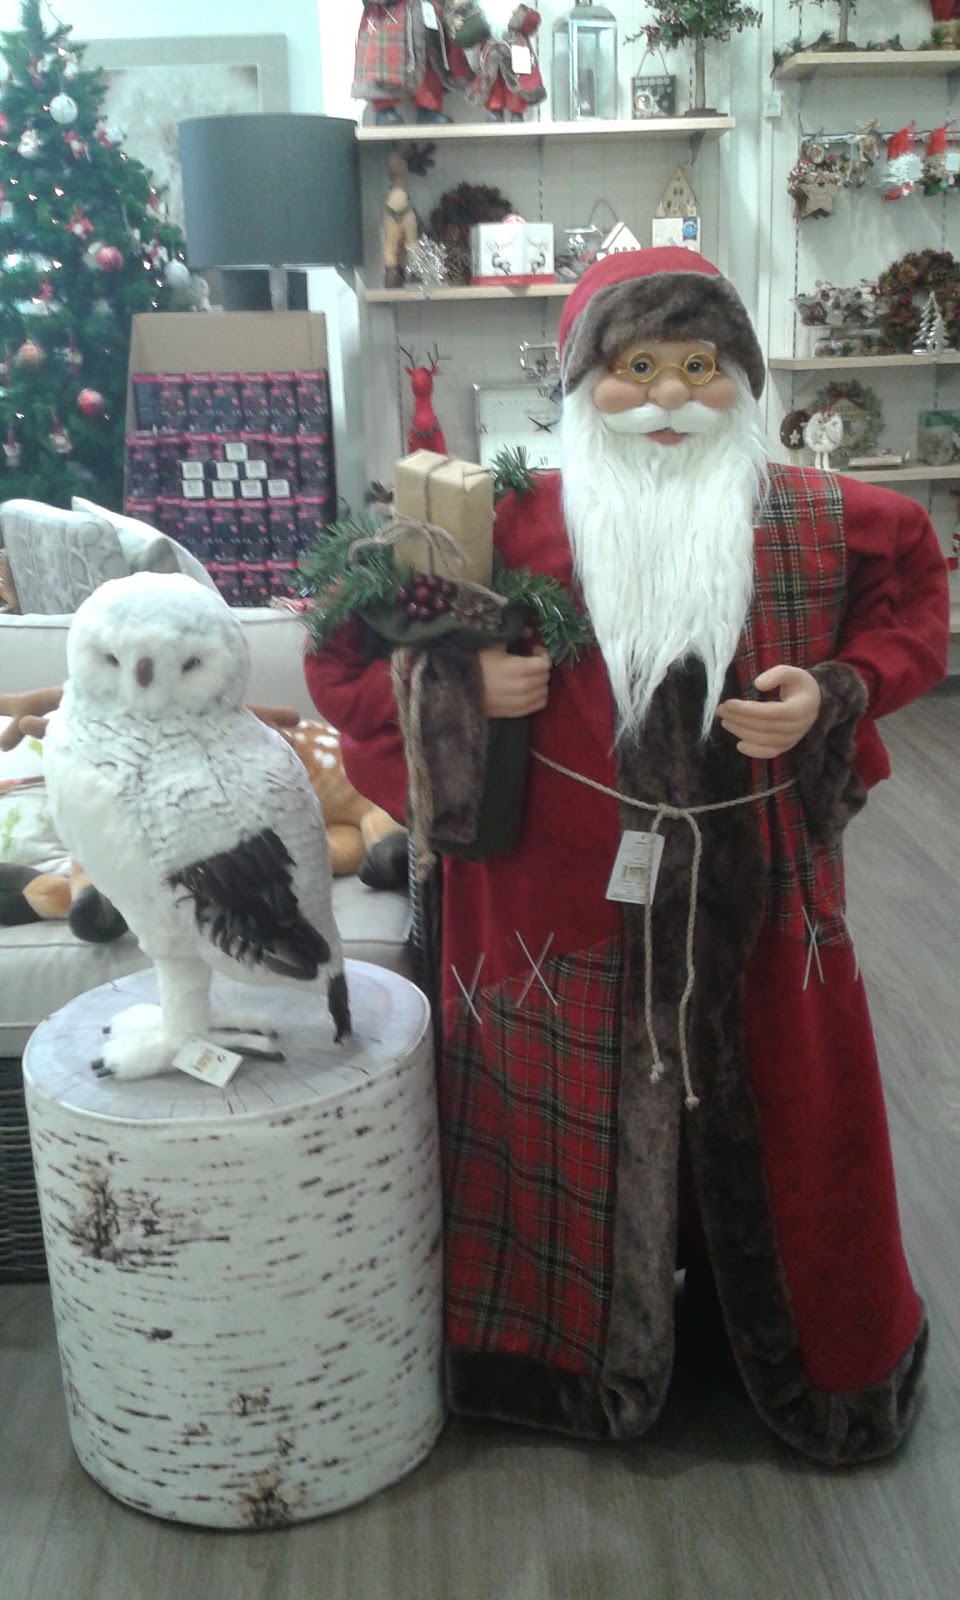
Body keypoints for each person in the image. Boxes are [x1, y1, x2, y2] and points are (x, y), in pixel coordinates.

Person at [305, 248, 949, 1465]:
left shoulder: (815, 518)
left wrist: (838, 688)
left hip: (765, 895)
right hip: (554, 903)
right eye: (636, 365)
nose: (666, 397)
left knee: (785, 1098)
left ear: (741, 380)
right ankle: (556, 1354)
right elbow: (342, 643)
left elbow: (914, 585)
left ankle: (815, 1355)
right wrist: (457, 681)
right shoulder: (501, 524)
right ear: (580, 379)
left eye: (700, 366)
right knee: (562, 1110)